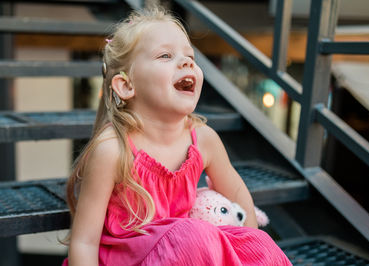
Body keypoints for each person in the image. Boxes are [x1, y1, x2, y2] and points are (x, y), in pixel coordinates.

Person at [63, 6, 291, 266]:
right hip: (134, 259)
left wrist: (252, 248)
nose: (186, 62)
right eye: (165, 55)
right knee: (195, 234)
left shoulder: (203, 139)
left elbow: (238, 194)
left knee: (259, 242)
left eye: (190, 56)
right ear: (126, 86)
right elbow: (84, 242)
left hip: (187, 254)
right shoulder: (113, 150)